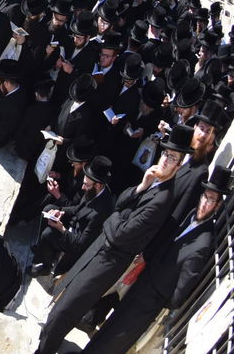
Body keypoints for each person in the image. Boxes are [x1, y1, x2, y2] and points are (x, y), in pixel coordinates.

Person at [33, 124, 191, 354]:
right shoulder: (154, 183)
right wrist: (142, 185)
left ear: (180, 163)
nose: (166, 160)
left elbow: (119, 230)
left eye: (173, 157)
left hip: (111, 259)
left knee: (66, 311)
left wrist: (112, 217)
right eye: (165, 153)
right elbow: (121, 202)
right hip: (101, 249)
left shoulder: (163, 199)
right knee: (64, 296)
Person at [83, 164, 230, 354]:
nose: (204, 203)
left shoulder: (203, 243)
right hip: (142, 282)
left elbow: (181, 291)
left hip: (151, 299)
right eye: (204, 196)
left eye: (211, 200)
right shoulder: (191, 216)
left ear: (217, 205)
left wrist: (159, 298)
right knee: (110, 326)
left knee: (116, 340)